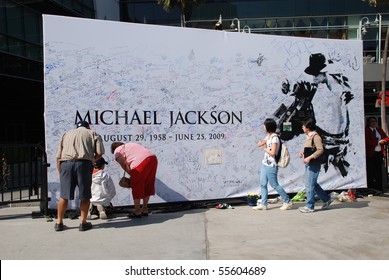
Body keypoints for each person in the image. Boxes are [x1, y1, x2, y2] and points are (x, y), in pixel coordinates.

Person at [54, 121, 105, 231]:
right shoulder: (93, 133)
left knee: (64, 195)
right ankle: (83, 222)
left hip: (66, 164)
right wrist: (91, 159)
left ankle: (59, 222)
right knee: (84, 195)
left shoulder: (66, 134)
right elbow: (99, 153)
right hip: (83, 164)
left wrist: (60, 171)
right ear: (88, 127)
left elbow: (58, 156)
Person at [253, 118, 293, 211]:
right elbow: (260, 144)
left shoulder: (275, 138)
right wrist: (262, 143)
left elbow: (273, 152)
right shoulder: (269, 136)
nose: (263, 127)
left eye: (264, 125)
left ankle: (287, 201)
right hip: (265, 163)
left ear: (268, 127)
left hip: (272, 165)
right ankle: (263, 204)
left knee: (274, 184)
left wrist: (263, 147)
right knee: (263, 184)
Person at [111, 141, 158, 218]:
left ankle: (137, 211)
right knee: (148, 183)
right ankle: (145, 209)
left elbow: (124, 164)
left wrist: (133, 175)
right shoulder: (131, 145)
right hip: (153, 158)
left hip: (140, 162)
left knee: (137, 186)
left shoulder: (117, 151)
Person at [298, 118, 333, 213]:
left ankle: (310, 206)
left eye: (303, 125)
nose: (302, 127)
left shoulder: (315, 136)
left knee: (309, 185)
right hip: (309, 163)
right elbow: (311, 149)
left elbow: (320, 150)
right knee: (312, 183)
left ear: (308, 127)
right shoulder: (309, 136)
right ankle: (326, 199)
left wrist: (310, 157)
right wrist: (303, 154)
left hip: (313, 164)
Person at [365, 116, 389, 192]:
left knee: (379, 171)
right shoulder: (366, 130)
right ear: (368, 123)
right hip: (371, 154)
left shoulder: (379, 130)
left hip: (379, 153)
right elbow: (367, 141)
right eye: (372, 122)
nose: (374, 123)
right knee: (371, 172)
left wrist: (384, 141)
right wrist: (377, 142)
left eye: (375, 121)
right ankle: (372, 188)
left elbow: (386, 138)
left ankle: (380, 187)